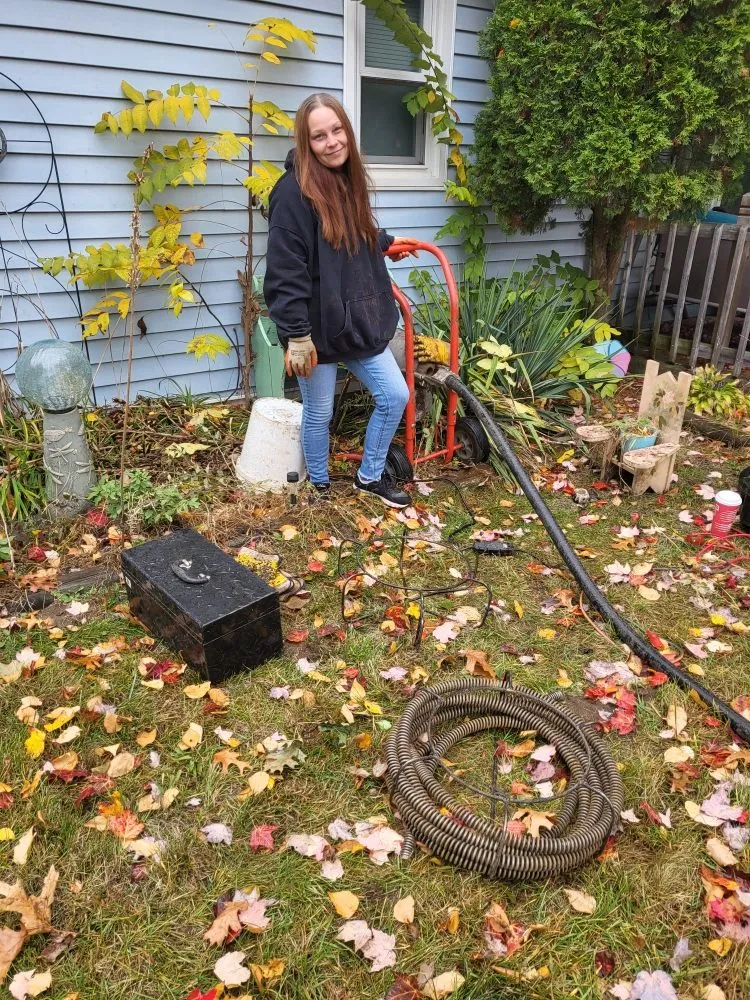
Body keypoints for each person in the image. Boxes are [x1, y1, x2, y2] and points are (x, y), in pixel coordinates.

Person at [263, 92, 419, 509]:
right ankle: (319, 486)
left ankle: (369, 477)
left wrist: (385, 243)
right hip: (315, 329)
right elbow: (284, 271)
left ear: (346, 132)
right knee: (319, 412)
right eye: (319, 136)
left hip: (358, 319)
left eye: (337, 131)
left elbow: (350, 234)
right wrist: (297, 334)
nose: (331, 142)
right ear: (305, 142)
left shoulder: (346, 178)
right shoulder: (292, 195)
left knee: (395, 395)